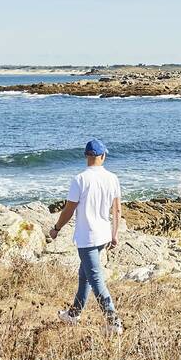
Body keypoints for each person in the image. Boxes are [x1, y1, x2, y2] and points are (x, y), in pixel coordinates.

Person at [50, 139, 123, 335]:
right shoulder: (112, 178)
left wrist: (56, 228)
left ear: (86, 157)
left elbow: (68, 210)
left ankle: (113, 321)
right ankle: (73, 314)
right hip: (103, 236)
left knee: (96, 279)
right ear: (102, 156)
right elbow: (117, 209)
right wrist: (114, 234)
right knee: (85, 277)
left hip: (87, 238)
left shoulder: (80, 179)